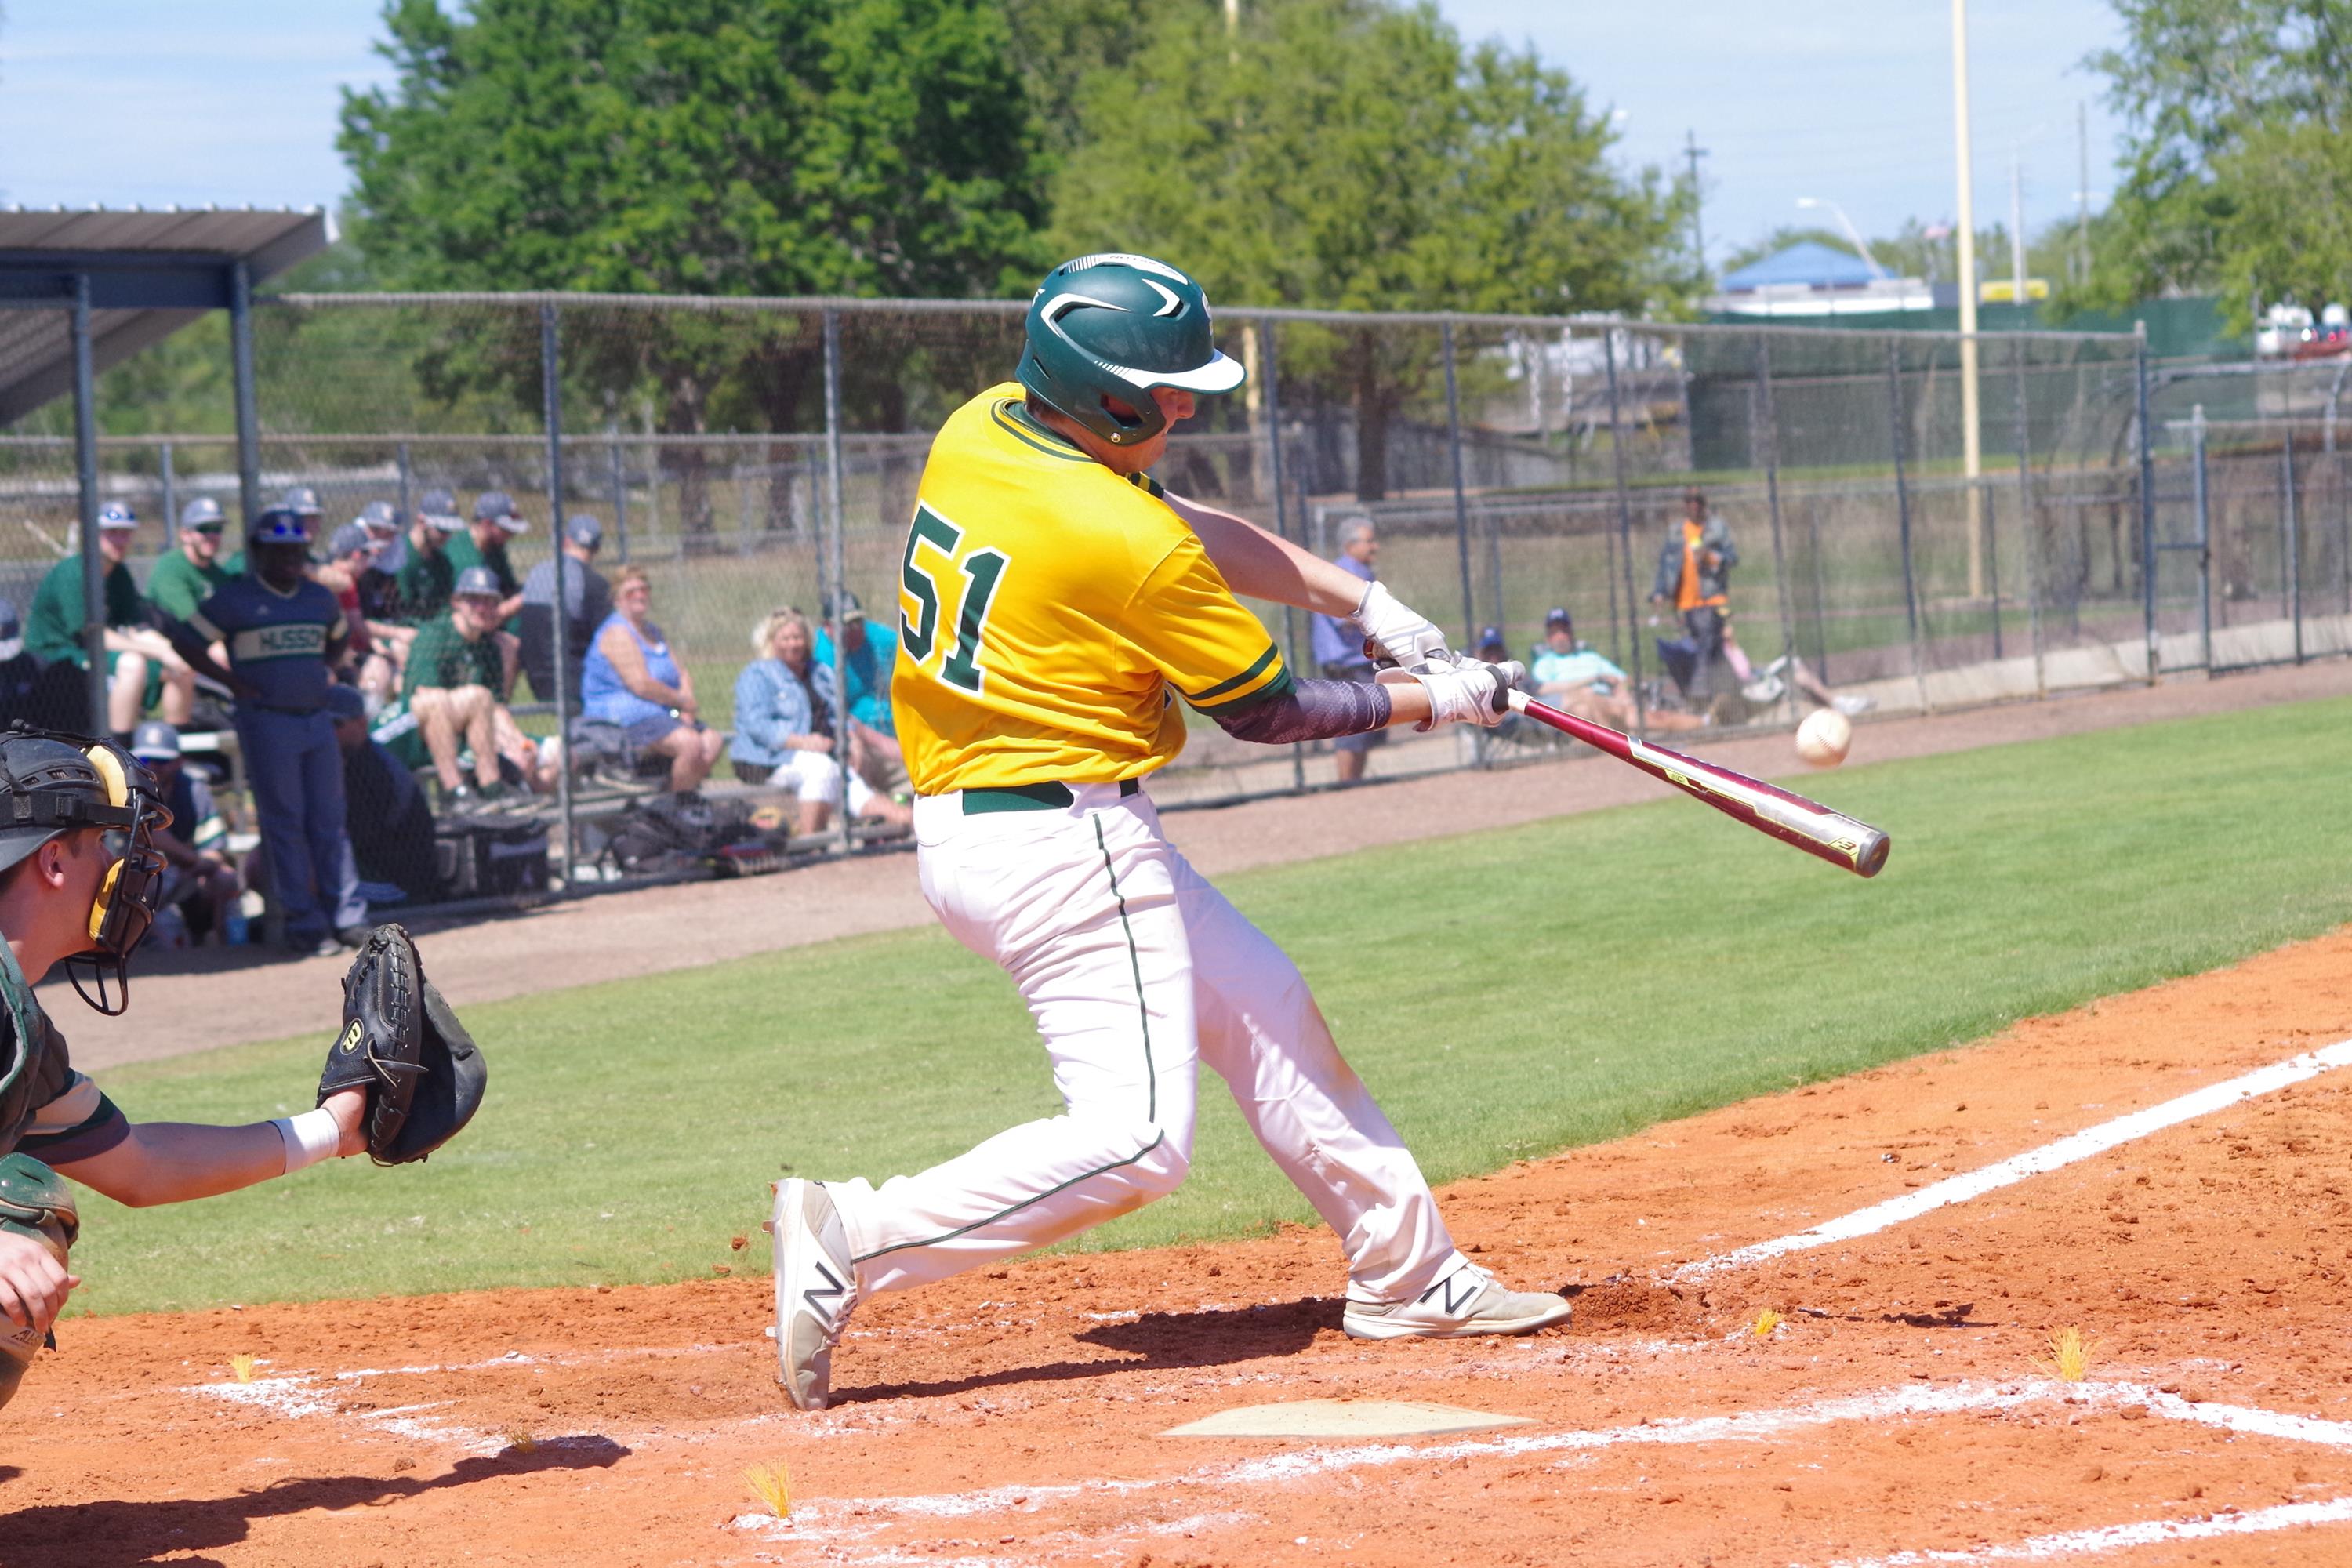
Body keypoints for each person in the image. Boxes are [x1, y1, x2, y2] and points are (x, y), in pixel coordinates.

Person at [766, 253, 1558, 1414]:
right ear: (1108, 396)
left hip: (998, 825)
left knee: (1268, 1008)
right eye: (1168, 390)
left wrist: (1365, 601)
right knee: (1139, 1140)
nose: (1185, 407)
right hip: (1062, 842)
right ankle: (855, 1232)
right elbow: (1271, 710)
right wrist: (1445, 697)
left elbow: (1175, 520)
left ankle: (1408, 1272)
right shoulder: (1120, 545)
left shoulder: (988, 425)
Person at [0, 728, 389, 1416]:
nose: (120, 866)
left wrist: (334, 1129)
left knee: (23, 1198)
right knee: (17, 1214)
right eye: (103, 843)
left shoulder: (20, 1023)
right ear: (53, 860)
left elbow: (141, 1165)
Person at [169, 504, 368, 957]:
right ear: (259, 552)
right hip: (267, 719)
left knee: (330, 822)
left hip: (316, 718)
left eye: (296, 549)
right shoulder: (237, 598)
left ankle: (349, 918)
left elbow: (339, 638)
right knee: (286, 824)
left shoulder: (318, 598)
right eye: (278, 550)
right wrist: (232, 682)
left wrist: (321, 671)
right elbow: (185, 640)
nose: (289, 558)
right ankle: (305, 924)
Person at [731, 608, 912, 832]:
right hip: (767, 760)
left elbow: (837, 715)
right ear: (772, 642)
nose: (794, 644)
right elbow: (757, 726)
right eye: (786, 638)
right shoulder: (758, 674)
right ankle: (811, 843)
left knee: (856, 788)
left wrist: (852, 739)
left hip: (823, 759)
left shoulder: (819, 673)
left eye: (798, 637)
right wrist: (802, 742)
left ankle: (910, 824)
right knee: (821, 768)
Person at [26, 504, 198, 736]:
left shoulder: (118, 572)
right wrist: (157, 652)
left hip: (96, 652)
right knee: (132, 664)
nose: (120, 540)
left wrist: (172, 651)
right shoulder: (74, 572)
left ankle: (175, 745)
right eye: (112, 533)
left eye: (125, 533)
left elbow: (136, 627)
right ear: (93, 535)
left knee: (180, 666)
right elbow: (93, 636)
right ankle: (118, 746)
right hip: (56, 656)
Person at [404, 566, 550, 808]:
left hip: (467, 732)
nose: (482, 608)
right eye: (473, 600)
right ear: (456, 602)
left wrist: (517, 742)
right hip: (415, 732)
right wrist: (487, 729)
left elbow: (497, 707)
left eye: (490, 602)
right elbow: (426, 696)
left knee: (555, 754)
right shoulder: (435, 634)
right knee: (476, 697)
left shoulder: (489, 646)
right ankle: (468, 791)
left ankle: (519, 816)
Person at [581, 566, 723, 796]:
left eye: (644, 589)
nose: (640, 595)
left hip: (662, 712)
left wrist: (686, 706)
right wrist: (681, 701)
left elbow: (682, 673)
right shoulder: (617, 633)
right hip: (622, 716)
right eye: (631, 592)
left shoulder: (653, 632)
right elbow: (640, 685)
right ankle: (679, 805)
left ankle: (673, 797)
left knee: (712, 741)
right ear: (617, 600)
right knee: (690, 743)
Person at [328, 684, 443, 907]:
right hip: (373, 871)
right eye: (324, 724)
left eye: (337, 724)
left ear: (362, 723)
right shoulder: (351, 760)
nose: (330, 732)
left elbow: (357, 839)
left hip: (395, 884)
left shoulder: (375, 770)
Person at [125, 721, 240, 945]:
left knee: (225, 879)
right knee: (146, 882)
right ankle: (148, 950)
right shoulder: (127, 790)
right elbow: (140, 843)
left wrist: (189, 861)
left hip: (186, 873)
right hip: (142, 880)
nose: (154, 767)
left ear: (179, 762)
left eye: (162, 761)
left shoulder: (193, 790)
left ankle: (220, 948)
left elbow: (215, 852)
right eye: (146, 760)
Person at [1530, 607, 1702, 734]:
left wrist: (1623, 691)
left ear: (1571, 633)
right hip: (1578, 709)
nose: (1560, 637)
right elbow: (1544, 690)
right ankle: (1611, 740)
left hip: (1612, 705)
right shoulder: (1544, 663)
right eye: (1554, 632)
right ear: (1548, 638)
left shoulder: (1590, 657)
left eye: (1564, 631)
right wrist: (1589, 681)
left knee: (1655, 718)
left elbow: (1623, 678)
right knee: (1586, 699)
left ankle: (1705, 722)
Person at [1308, 517, 1387, 784]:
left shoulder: (1362, 572)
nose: (1375, 547)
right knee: (1350, 725)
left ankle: (1356, 784)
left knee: (1366, 724)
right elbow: (1344, 616)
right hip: (1344, 662)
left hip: (1358, 660)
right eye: (1369, 541)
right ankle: (1346, 786)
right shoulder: (1343, 573)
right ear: (1350, 545)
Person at [1649, 488, 1737, 709]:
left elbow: (1732, 558)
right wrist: (1660, 592)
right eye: (1689, 501)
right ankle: (1725, 694)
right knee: (1705, 648)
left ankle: (1699, 693)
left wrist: (1711, 557)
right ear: (1685, 505)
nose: (1694, 505)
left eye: (1698, 501)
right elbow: (1665, 564)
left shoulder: (1717, 528)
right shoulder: (1676, 532)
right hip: (1685, 603)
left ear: (1704, 504)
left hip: (1712, 600)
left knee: (1707, 639)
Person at [812, 590, 905, 790]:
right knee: (855, 752)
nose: (854, 630)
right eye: (846, 625)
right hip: (857, 738)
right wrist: (882, 743)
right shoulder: (821, 656)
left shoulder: (881, 638)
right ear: (827, 627)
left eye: (857, 622)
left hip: (897, 733)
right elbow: (834, 714)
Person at [519, 513, 612, 703]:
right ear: (597, 548)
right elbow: (609, 639)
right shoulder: (595, 584)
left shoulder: (537, 573)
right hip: (576, 684)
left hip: (537, 681)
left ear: (565, 542)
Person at [144, 497, 244, 626]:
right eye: (204, 529)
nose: (212, 536)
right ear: (185, 535)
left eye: (217, 529)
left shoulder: (218, 575)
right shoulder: (171, 567)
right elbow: (193, 622)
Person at [444, 491, 528, 626]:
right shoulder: (461, 554)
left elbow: (508, 588)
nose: (511, 536)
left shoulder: (494, 549)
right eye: (506, 530)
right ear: (486, 524)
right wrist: (511, 605)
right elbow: (469, 610)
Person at [395, 489, 463, 624]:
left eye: (450, 531)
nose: (447, 536)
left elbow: (447, 603)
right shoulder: (400, 557)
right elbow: (402, 611)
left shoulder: (442, 560)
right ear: (421, 522)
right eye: (442, 530)